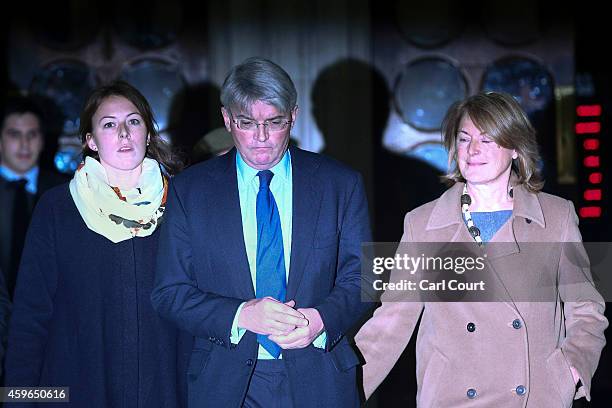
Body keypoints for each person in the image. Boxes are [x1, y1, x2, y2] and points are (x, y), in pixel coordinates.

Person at [355, 91, 608, 407]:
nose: (472, 150)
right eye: (464, 139)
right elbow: (390, 323)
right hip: (451, 398)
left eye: (487, 140)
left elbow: (587, 309)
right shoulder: (421, 224)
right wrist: (339, 390)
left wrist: (569, 371)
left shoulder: (557, 216)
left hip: (535, 398)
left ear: (515, 147)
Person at [151, 57, 372, 407]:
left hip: (319, 376)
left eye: (274, 122)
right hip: (226, 383)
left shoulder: (340, 184)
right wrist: (241, 315)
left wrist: (320, 321)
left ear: (294, 116)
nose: (261, 138)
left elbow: (364, 278)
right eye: (246, 123)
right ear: (227, 119)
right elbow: (169, 292)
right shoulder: (189, 191)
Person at [4, 81, 187, 407]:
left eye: (133, 121)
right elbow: (30, 318)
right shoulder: (57, 207)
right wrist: (18, 399)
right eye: (108, 124)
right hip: (77, 390)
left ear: (147, 133)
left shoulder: (181, 203)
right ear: (90, 140)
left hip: (164, 389)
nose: (123, 133)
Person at [0, 96, 66, 299]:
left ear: (42, 140)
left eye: (32, 134)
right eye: (14, 134)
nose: (24, 144)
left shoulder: (67, 192)